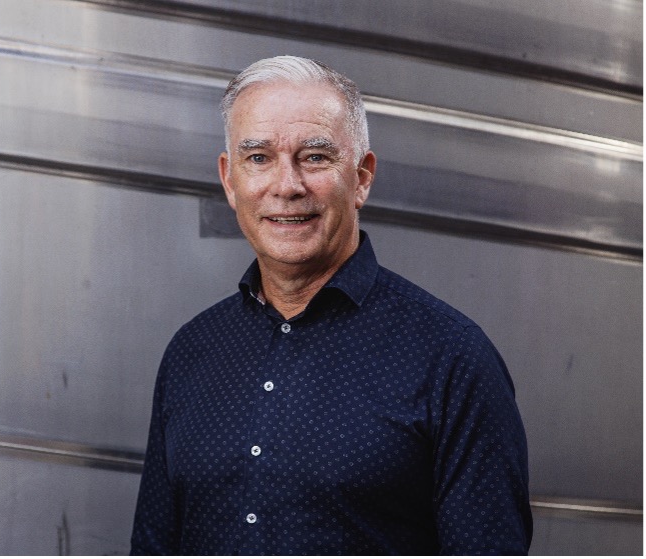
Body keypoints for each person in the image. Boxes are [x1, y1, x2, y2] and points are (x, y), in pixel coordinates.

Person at [130, 55, 532, 555]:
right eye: (258, 158)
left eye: (315, 157)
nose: (287, 185)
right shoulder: (192, 352)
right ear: (229, 180)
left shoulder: (452, 360)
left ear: (361, 178)